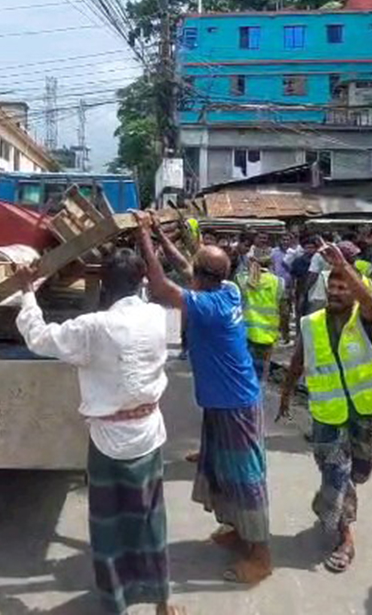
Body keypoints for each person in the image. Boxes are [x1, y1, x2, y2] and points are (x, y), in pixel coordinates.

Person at [13, 249, 183, 615]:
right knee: (151, 518)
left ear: (104, 285)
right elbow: (169, 347)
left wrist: (27, 290)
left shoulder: (91, 327)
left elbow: (39, 338)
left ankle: (116, 603)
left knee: (109, 526)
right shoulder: (161, 316)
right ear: (140, 282)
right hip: (148, 432)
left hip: (108, 439)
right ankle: (163, 600)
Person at [136, 216, 273, 586]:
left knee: (246, 477)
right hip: (224, 402)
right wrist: (161, 235)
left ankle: (261, 556)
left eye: (194, 272)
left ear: (200, 278)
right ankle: (239, 531)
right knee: (224, 472)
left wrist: (144, 238)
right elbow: (186, 266)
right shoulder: (227, 289)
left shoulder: (208, 306)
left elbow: (161, 286)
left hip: (235, 405)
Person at [278, 244, 372, 574]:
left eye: (344, 287)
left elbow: (370, 302)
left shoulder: (364, 320)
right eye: (334, 286)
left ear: (355, 292)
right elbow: (298, 360)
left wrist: (343, 266)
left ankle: (331, 498)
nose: (337, 291)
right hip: (327, 415)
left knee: (360, 471)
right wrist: (285, 395)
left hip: (362, 412)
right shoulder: (311, 322)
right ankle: (344, 536)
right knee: (337, 473)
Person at [237, 251, 287, 383]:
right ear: (271, 264)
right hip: (267, 336)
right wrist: (284, 331)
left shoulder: (242, 279)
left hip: (244, 332)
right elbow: (284, 310)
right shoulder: (278, 282)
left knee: (242, 372)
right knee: (260, 375)